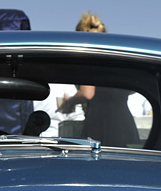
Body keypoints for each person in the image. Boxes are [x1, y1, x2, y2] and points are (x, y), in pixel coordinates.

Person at [57, 12, 139, 147]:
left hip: (100, 125)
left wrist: (69, 102)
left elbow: (87, 93)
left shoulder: (88, 58)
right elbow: (132, 89)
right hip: (125, 125)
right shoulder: (117, 59)